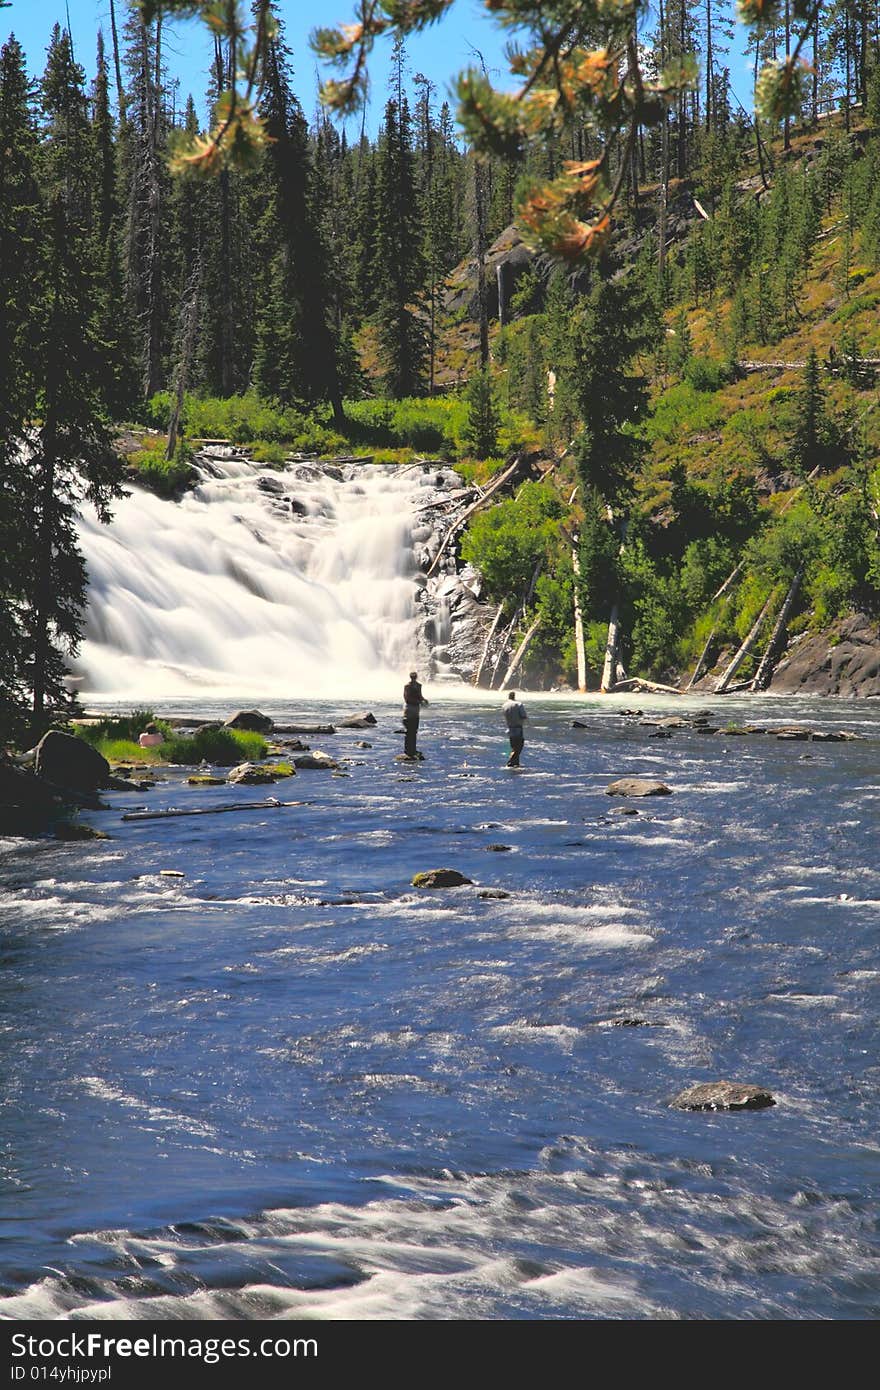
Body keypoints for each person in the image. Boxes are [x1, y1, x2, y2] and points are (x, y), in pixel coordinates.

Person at [402, 671, 428, 758]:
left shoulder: (409, 686)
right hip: (412, 708)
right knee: (411, 730)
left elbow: (407, 697)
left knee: (411, 730)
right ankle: (410, 750)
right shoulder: (412, 686)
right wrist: (421, 701)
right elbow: (408, 698)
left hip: (412, 708)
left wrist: (423, 700)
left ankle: (411, 750)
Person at [503, 690, 528, 767]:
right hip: (518, 728)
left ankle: (515, 763)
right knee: (519, 746)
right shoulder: (518, 704)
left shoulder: (505, 705)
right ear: (514, 696)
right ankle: (510, 762)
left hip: (510, 728)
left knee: (513, 746)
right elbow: (523, 715)